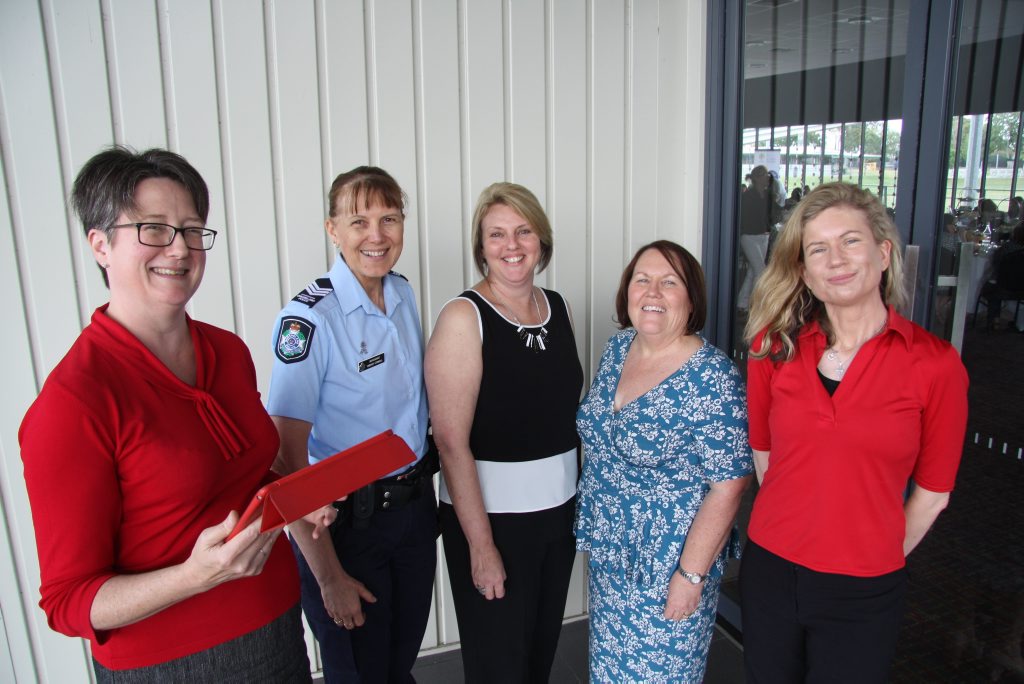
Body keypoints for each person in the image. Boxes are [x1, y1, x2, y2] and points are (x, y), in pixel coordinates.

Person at [19, 146, 333, 681]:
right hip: (171, 663)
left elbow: (249, 473)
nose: (181, 248)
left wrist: (302, 496)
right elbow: (69, 603)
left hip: (276, 626)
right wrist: (195, 576)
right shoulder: (73, 404)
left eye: (192, 229)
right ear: (100, 245)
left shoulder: (227, 352)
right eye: (154, 229)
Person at [740, 182, 969, 683]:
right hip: (770, 569)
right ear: (804, 270)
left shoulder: (934, 364)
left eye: (850, 241)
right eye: (817, 249)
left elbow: (932, 493)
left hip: (864, 586)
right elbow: (764, 452)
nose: (835, 259)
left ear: (883, 253)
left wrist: (871, 550)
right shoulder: (773, 347)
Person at [267, 166, 437, 683]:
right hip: (346, 528)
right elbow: (283, 462)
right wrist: (328, 575)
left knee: (399, 659)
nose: (376, 235)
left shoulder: (402, 294)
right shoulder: (309, 321)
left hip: (411, 512)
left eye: (389, 218)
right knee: (360, 673)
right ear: (332, 230)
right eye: (358, 220)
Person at [424, 182, 583, 682]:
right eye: (497, 234)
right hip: (492, 523)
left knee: (538, 656)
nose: (511, 245)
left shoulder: (559, 307)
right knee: (499, 666)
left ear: (541, 240)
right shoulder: (462, 317)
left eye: (523, 231)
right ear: (481, 246)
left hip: (557, 518)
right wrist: (481, 546)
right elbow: (451, 443)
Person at [574, 240, 752, 683]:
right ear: (627, 292)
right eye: (642, 280)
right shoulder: (618, 350)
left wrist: (690, 577)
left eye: (669, 282)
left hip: (669, 563)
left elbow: (729, 485)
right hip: (612, 559)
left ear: (691, 299)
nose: (652, 292)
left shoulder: (712, 376)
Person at [738, 165, 780, 311]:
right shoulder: (748, 196)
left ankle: (742, 302)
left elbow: (773, 213)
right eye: (763, 175)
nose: (766, 178)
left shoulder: (768, 195)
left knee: (753, 271)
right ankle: (757, 304)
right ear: (756, 178)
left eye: (766, 175)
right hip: (749, 236)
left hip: (763, 236)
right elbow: (745, 217)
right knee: (760, 271)